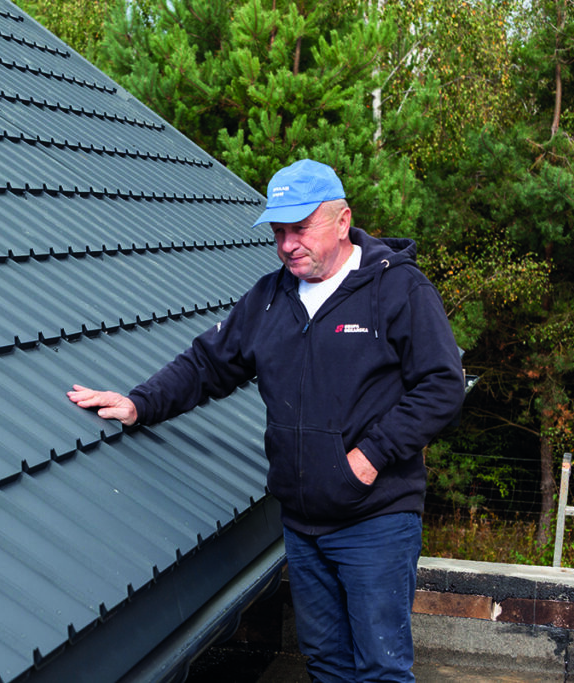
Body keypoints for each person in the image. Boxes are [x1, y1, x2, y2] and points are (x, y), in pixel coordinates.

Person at [68, 159, 465, 682]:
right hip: (301, 524)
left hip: (375, 520)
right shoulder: (270, 298)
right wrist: (141, 403)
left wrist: (370, 456)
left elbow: (442, 385)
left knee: (380, 670)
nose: (287, 245)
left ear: (343, 221)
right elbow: (208, 364)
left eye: (300, 228)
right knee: (326, 664)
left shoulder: (397, 289)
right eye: (278, 232)